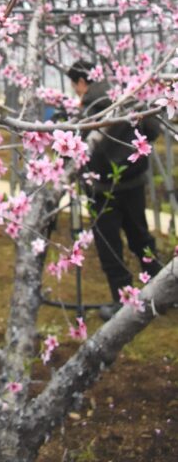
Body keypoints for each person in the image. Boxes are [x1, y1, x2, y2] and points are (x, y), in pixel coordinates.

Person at [67, 59, 162, 320]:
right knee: (141, 236)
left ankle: (123, 301)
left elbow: (75, 152)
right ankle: (165, 292)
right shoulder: (127, 93)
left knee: (110, 246)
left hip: (102, 188)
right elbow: (152, 129)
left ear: (82, 82)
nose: (76, 91)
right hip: (133, 182)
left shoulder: (89, 109)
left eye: (75, 86)